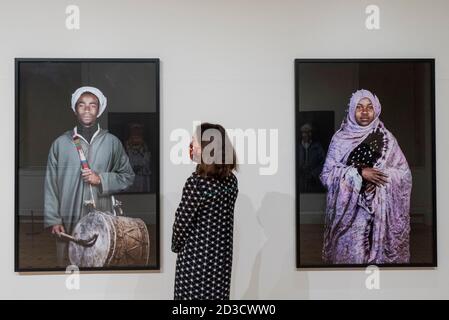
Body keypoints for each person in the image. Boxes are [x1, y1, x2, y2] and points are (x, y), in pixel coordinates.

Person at [44, 86, 135, 267]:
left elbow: (128, 176)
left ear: (99, 110)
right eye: (82, 105)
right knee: (68, 264)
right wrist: (54, 219)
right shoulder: (60, 144)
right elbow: (50, 185)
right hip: (68, 215)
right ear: (75, 109)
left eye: (92, 105)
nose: (87, 109)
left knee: (101, 261)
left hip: (103, 216)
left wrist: (101, 179)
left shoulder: (112, 142)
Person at [320, 89, 412, 264]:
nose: (364, 112)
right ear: (352, 110)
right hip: (349, 217)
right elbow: (326, 175)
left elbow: (404, 174)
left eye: (369, 107)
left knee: (379, 267)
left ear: (376, 109)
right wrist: (359, 174)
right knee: (352, 262)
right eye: (359, 107)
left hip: (380, 215)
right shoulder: (340, 139)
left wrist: (379, 178)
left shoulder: (387, 138)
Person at [171, 122, 238, 300]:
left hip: (196, 260)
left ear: (208, 147)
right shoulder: (231, 181)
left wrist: (176, 246)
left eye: (195, 141)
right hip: (221, 258)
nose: (191, 144)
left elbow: (182, 223)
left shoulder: (196, 183)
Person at [298, 123, 325, 193]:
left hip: (314, 181)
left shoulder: (317, 147)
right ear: (301, 134)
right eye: (305, 132)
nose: (308, 135)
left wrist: (313, 174)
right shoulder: (297, 148)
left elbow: (323, 162)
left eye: (310, 132)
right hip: (300, 181)